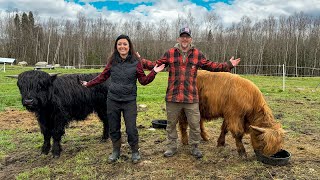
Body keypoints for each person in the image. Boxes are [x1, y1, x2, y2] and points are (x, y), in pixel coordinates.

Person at [141, 27, 241, 159]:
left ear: (190, 39)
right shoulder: (170, 53)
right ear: (178, 39)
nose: (184, 39)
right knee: (171, 124)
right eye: (182, 36)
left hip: (191, 98)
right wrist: (140, 61)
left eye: (187, 36)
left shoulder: (197, 54)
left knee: (195, 124)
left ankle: (194, 147)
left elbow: (211, 66)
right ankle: (171, 147)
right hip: (173, 97)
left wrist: (228, 64)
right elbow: (155, 65)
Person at [81, 34, 165, 164]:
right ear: (116, 46)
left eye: (125, 44)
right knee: (113, 128)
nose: (122, 46)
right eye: (119, 44)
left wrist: (154, 71)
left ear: (129, 46)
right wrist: (88, 84)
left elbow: (143, 81)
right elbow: (102, 77)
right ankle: (116, 151)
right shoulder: (112, 62)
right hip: (113, 100)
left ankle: (135, 151)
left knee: (131, 128)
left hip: (129, 101)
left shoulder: (136, 62)